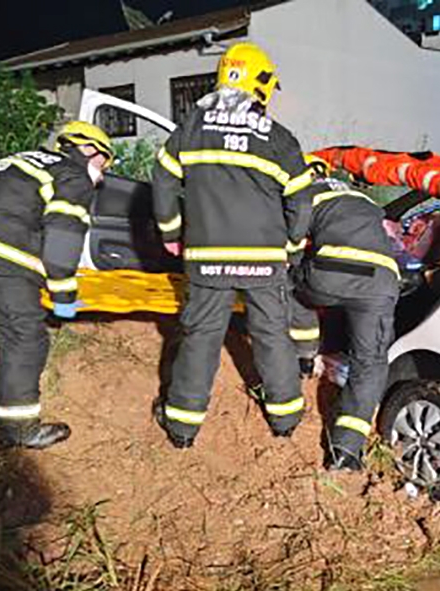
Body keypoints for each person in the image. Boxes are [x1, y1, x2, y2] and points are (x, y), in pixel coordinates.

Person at [151, 42, 314, 448]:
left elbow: (163, 180)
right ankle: (286, 419)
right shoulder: (278, 138)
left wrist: (171, 232)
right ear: (260, 84)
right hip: (264, 259)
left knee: (201, 337)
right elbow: (302, 200)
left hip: (207, 258)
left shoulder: (191, 128)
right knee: (273, 335)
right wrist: (292, 246)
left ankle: (183, 428)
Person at [0, 121, 114, 449]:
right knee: (28, 338)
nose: (102, 176)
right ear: (88, 150)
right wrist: (63, 293)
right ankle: (18, 429)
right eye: (104, 164)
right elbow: (63, 237)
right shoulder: (74, 177)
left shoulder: (32, 158)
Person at [289, 156, 400, 470]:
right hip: (381, 283)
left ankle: (305, 356)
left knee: (291, 287)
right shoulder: (364, 200)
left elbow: (290, 241)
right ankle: (347, 453)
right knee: (371, 362)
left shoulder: (304, 193)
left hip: (330, 273)